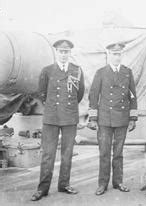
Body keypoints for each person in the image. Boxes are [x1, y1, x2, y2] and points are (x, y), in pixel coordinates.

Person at [31, 39, 85, 201]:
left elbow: (79, 93)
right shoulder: (47, 71)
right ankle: (43, 188)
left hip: (69, 117)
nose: (63, 55)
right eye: (61, 52)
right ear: (56, 52)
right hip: (51, 118)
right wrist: (53, 107)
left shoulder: (77, 70)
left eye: (66, 52)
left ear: (70, 53)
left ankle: (64, 184)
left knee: (67, 154)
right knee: (48, 154)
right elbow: (41, 93)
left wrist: (67, 107)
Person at [87, 43, 138, 195]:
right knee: (104, 152)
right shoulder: (101, 72)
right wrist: (93, 118)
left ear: (122, 55)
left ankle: (118, 182)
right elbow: (93, 96)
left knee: (118, 152)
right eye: (114, 54)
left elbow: (133, 96)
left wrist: (133, 118)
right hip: (104, 120)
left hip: (122, 119)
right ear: (109, 55)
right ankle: (102, 184)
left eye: (119, 54)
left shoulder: (127, 72)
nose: (117, 57)